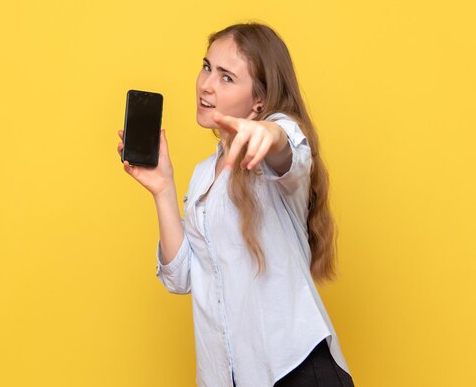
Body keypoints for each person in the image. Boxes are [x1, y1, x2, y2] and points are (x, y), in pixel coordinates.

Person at [116, 22, 355, 387]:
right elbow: (181, 279)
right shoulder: (202, 178)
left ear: (259, 100)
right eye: (207, 67)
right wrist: (163, 189)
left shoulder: (270, 158)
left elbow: (291, 148)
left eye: (227, 78)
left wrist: (270, 133)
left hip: (297, 370)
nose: (206, 85)